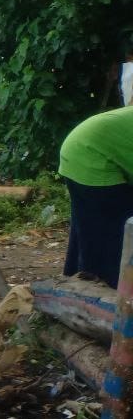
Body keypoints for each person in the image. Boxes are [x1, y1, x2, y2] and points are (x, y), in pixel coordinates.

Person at [59, 105, 133, 288]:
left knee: (87, 227)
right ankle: (108, 291)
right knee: (116, 233)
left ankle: (75, 282)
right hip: (92, 157)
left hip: (77, 149)